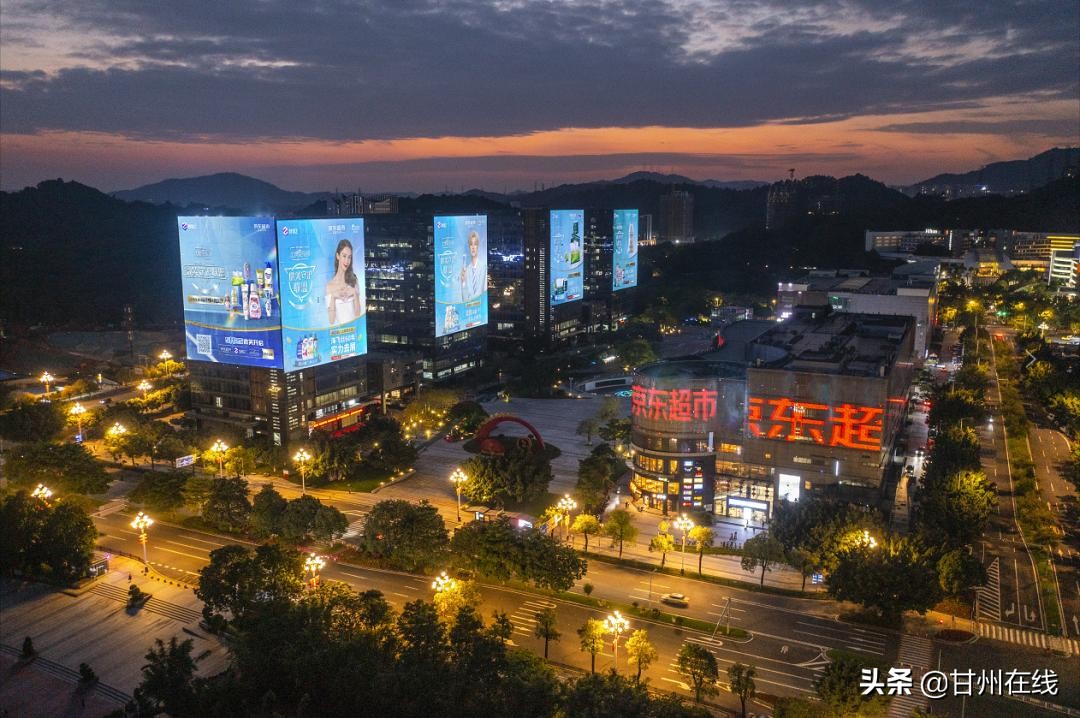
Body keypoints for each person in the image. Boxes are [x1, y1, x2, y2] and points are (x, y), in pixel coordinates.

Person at [326, 239, 363, 325]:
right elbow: (331, 320)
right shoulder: (329, 286)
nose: (347, 261)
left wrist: (354, 293)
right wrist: (333, 297)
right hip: (340, 333)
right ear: (338, 256)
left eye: (349, 257)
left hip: (353, 331)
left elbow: (358, 314)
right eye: (344, 256)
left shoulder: (354, 280)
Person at [458, 230, 484, 302]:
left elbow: (480, 294)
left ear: (478, 246)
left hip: (478, 308)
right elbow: (464, 299)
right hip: (470, 309)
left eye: (475, 244)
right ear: (469, 246)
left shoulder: (483, 267)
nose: (473, 247)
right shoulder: (467, 270)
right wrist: (463, 282)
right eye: (471, 244)